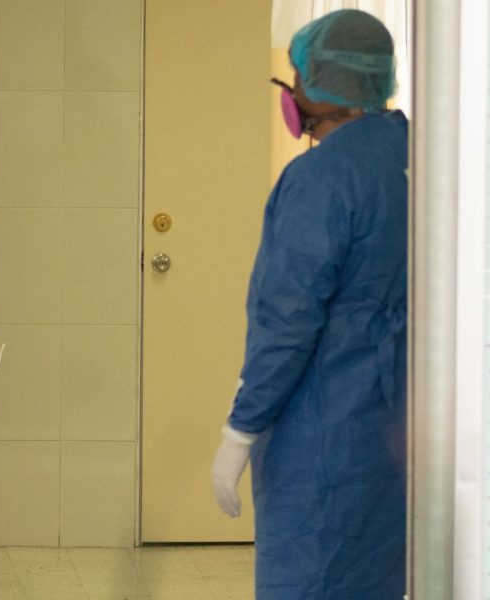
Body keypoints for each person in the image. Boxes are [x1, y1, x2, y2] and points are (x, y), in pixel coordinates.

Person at [210, 10, 407, 599]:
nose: (291, 93)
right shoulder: (416, 157)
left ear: (326, 84)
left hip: (324, 439)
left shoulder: (320, 179)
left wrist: (241, 430)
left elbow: (288, 322)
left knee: (312, 578)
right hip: (398, 432)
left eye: (297, 78)